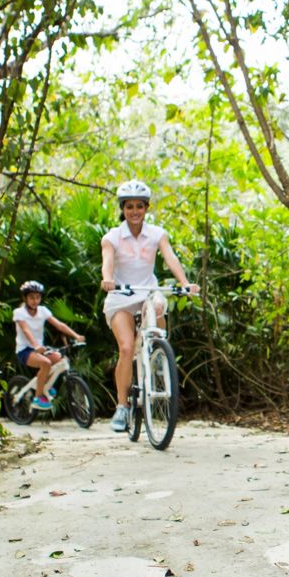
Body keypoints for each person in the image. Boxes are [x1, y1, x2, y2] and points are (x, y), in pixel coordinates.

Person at [100, 179, 198, 432]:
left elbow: (170, 257)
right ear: (123, 208)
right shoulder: (111, 237)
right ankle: (122, 407)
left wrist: (185, 283)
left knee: (157, 306)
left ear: (146, 208)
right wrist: (108, 279)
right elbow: (107, 261)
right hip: (121, 296)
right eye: (129, 206)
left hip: (147, 292)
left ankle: (156, 354)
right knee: (125, 347)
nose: (134, 211)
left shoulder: (157, 234)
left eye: (139, 206)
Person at [14, 280, 85, 412]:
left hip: (40, 349)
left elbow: (59, 325)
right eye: (31, 297)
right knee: (46, 363)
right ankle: (38, 397)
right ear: (25, 298)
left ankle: (46, 384)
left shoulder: (43, 311)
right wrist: (35, 345)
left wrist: (76, 336)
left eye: (37, 297)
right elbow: (26, 330)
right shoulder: (19, 312)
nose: (35, 301)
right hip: (25, 350)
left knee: (59, 358)